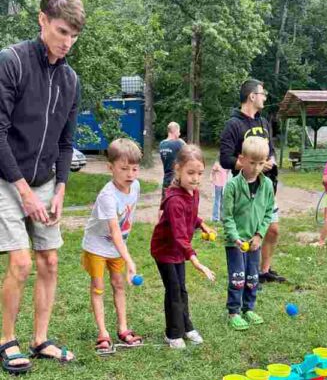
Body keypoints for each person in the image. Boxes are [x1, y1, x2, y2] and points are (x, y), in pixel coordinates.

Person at [0, 0, 85, 373]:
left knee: (49, 260)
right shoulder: (12, 61)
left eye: (74, 35)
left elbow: (67, 142)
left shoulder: (71, 81)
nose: (68, 42)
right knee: (20, 262)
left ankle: (40, 339)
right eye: (62, 31)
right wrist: (23, 191)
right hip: (6, 178)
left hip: (46, 181)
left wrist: (61, 189)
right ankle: (6, 340)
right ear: (42, 21)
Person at [220, 79, 286, 284]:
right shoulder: (233, 124)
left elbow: (271, 150)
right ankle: (247, 272)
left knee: (272, 229)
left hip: (267, 186)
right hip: (245, 188)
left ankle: (263, 271)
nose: (265, 96)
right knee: (247, 231)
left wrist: (270, 161)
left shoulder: (263, 122)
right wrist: (254, 166)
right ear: (252, 96)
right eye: (262, 93)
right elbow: (225, 159)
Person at [150, 145, 216, 349]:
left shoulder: (192, 193)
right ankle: (172, 333)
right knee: (173, 291)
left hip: (178, 251)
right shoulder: (174, 200)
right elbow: (179, 235)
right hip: (165, 250)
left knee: (181, 290)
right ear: (177, 169)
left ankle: (186, 327)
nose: (196, 178)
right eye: (190, 173)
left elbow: (191, 215)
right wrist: (197, 262)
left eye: (199, 173)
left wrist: (202, 224)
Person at [81, 139, 143, 355]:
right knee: (98, 287)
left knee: (118, 284)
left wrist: (124, 255)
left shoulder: (135, 186)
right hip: (97, 246)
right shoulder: (107, 196)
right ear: (111, 168)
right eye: (124, 168)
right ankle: (103, 333)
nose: (130, 174)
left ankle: (123, 328)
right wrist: (130, 260)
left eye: (135, 168)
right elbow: (115, 231)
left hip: (117, 248)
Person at [222, 136, 275, 330]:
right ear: (241, 159)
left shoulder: (267, 185)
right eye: (252, 162)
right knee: (238, 276)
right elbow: (226, 216)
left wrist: (260, 235)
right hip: (235, 241)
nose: (256, 167)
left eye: (261, 163)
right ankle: (234, 311)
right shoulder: (232, 186)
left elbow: (268, 212)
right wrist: (235, 237)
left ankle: (248, 308)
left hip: (255, 241)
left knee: (252, 277)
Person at [158, 121, 185, 201]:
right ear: (175, 131)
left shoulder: (161, 144)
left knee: (164, 203)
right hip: (176, 179)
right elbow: (190, 152)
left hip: (166, 178)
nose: (179, 134)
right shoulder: (178, 143)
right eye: (179, 131)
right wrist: (182, 141)